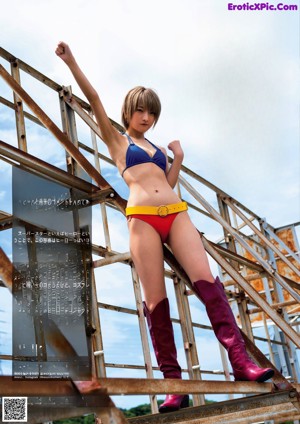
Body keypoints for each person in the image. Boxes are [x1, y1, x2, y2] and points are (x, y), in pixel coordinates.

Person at [55, 42, 274, 413]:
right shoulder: (117, 140)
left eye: (151, 112)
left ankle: (242, 363)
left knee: (209, 284)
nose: (146, 117)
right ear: (128, 112)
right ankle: (175, 386)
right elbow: (92, 97)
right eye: (140, 110)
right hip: (141, 219)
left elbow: (169, 183)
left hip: (176, 212)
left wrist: (180, 159)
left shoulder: (156, 147)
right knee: (155, 302)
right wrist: (70, 61)